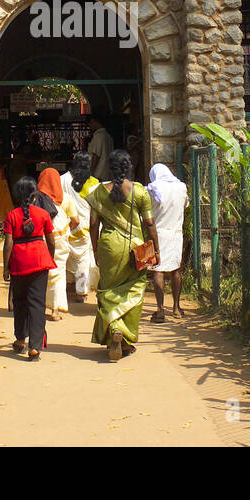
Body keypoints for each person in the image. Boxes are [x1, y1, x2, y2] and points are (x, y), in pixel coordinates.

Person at [86, 149, 159, 361]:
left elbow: (93, 225)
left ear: (110, 167)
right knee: (134, 291)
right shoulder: (139, 192)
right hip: (136, 249)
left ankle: (113, 333)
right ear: (129, 167)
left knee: (107, 290)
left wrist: (96, 249)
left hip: (108, 246)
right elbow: (150, 224)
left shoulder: (98, 191)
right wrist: (155, 248)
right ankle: (124, 338)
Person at [2, 176, 57, 360]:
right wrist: (50, 256)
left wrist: (6, 267)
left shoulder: (11, 215)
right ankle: (34, 347)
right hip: (39, 260)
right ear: (34, 196)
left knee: (20, 302)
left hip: (19, 262)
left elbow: (8, 243)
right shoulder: (43, 214)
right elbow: (50, 239)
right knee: (37, 303)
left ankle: (20, 339)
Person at [146, 163, 189, 321]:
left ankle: (160, 309)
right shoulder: (181, 187)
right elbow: (185, 205)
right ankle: (176, 307)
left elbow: (146, 210)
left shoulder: (151, 189)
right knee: (175, 269)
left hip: (157, 233)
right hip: (176, 232)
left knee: (158, 270)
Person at [60, 151, 99, 301]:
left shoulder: (62, 179)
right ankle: (81, 292)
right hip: (85, 227)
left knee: (65, 256)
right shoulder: (94, 183)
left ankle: (65, 287)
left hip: (65, 225)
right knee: (83, 260)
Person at [34, 168, 73, 321]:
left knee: (40, 273)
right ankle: (55, 310)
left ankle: (38, 306)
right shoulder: (66, 199)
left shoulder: (34, 200)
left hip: (40, 240)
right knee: (58, 271)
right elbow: (75, 220)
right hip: (61, 239)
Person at [86, 114, 114, 183]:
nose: (89, 126)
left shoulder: (98, 136)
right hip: (108, 174)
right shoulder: (109, 136)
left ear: (94, 122)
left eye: (90, 123)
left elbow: (96, 155)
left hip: (98, 175)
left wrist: (91, 172)